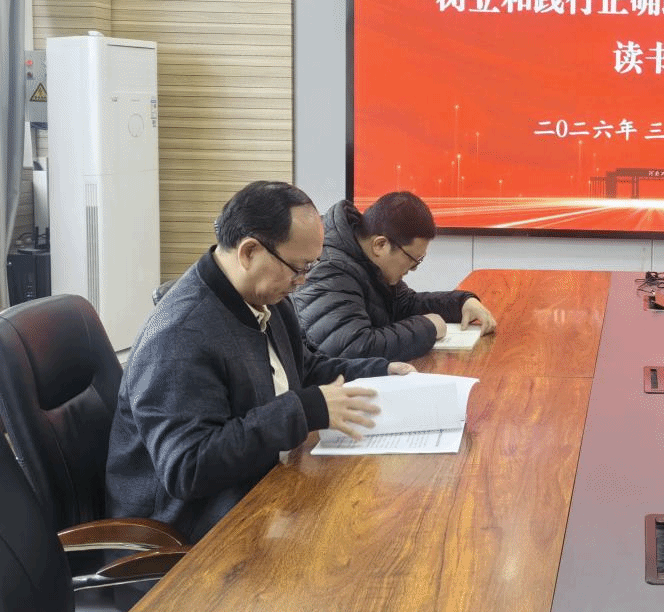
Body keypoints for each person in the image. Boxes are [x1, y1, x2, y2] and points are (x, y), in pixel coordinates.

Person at [106, 181, 414, 543]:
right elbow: (188, 467)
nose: (302, 281)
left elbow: (304, 368)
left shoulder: (266, 297)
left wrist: (380, 370)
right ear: (250, 252)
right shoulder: (179, 335)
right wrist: (302, 411)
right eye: (298, 268)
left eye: (310, 267)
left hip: (258, 491)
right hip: (189, 534)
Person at [293, 191, 496, 361]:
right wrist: (428, 328)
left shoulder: (365, 258)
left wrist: (461, 303)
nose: (414, 268)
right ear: (380, 245)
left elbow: (404, 304)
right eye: (413, 259)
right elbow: (354, 348)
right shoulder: (329, 269)